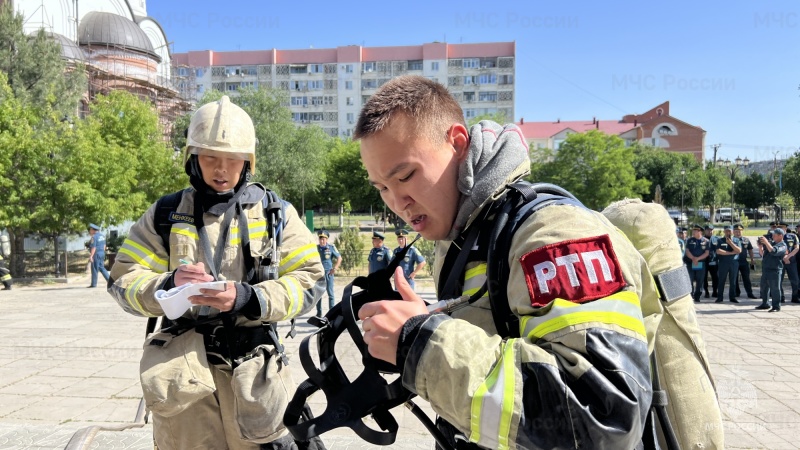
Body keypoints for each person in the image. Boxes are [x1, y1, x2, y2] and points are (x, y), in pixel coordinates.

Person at [353, 76, 652, 449]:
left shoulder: (553, 233)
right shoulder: (465, 234)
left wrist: (420, 344)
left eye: (405, 175)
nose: (397, 201)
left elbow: (603, 420)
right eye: (381, 187)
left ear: (457, 144)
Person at [108, 96, 325, 450]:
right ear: (192, 158)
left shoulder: (276, 214)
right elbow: (122, 280)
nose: (221, 169)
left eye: (232, 160)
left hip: (253, 376)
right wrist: (167, 285)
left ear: (247, 163)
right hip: (184, 380)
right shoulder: (165, 213)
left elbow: (310, 280)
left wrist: (249, 298)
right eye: (210, 158)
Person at [757, 227, 786, 312]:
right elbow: (763, 254)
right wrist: (760, 246)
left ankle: (776, 306)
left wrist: (766, 242)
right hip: (766, 269)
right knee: (764, 287)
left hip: (774, 270)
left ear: (780, 236)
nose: (772, 236)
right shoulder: (771, 243)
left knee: (775, 289)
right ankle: (765, 303)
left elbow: (773, 251)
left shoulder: (782, 245)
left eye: (774, 235)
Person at [316, 230, 341, 316]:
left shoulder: (331, 247)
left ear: (326, 239)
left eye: (323, 239)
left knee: (330, 294)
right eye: (320, 239)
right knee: (318, 294)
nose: (321, 241)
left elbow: (339, 258)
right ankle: (319, 313)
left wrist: (335, 268)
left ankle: (332, 313)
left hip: (328, 273)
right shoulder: (316, 248)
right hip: (319, 274)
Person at [714, 225, 741, 303]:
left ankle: (732, 297)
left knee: (733, 281)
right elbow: (718, 251)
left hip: (734, 263)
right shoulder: (720, 240)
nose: (728, 232)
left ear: (732, 231)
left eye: (729, 231)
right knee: (721, 280)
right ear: (724, 232)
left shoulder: (736, 240)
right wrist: (731, 253)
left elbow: (739, 250)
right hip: (723, 263)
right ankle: (720, 297)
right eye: (726, 231)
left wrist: (730, 243)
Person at [686, 224, 710, 302]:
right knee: (690, 279)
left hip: (701, 263)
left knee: (700, 280)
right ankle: (691, 294)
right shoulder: (690, 240)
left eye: (695, 231)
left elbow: (707, 253)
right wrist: (693, 258)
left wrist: (698, 258)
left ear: (700, 232)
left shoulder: (706, 241)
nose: (693, 232)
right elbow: (687, 251)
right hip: (691, 263)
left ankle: (697, 296)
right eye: (693, 231)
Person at [733, 224, 758, 299]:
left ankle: (749, 293)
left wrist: (752, 259)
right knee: (734, 278)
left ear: (742, 231)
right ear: (733, 232)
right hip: (734, 261)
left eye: (739, 231)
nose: (738, 233)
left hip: (743, 261)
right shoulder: (731, 240)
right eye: (736, 231)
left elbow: (750, 250)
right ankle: (736, 292)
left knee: (746, 278)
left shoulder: (746, 240)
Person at [778, 221, 799, 303]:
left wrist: (788, 256)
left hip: (791, 261)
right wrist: (784, 257)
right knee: (779, 280)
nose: (780, 229)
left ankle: (795, 297)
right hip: (780, 261)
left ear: (785, 228)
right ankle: (781, 297)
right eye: (778, 227)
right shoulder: (775, 237)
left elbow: (796, 248)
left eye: (782, 227)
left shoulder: (793, 236)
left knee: (795, 280)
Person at [87, 223, 110, 288]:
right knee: (101, 267)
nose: (90, 231)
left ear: (93, 230)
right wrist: (102, 252)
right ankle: (109, 281)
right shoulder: (102, 236)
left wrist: (91, 256)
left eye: (90, 229)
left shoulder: (94, 237)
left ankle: (93, 284)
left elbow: (93, 247)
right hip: (102, 253)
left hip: (96, 254)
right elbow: (104, 246)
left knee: (94, 268)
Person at [703, 224, 719, 298]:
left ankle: (715, 291)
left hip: (713, 261)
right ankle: (706, 291)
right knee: (704, 278)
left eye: (711, 230)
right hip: (704, 261)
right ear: (705, 230)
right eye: (708, 230)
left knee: (715, 277)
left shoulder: (716, 239)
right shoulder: (701, 239)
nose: (710, 231)